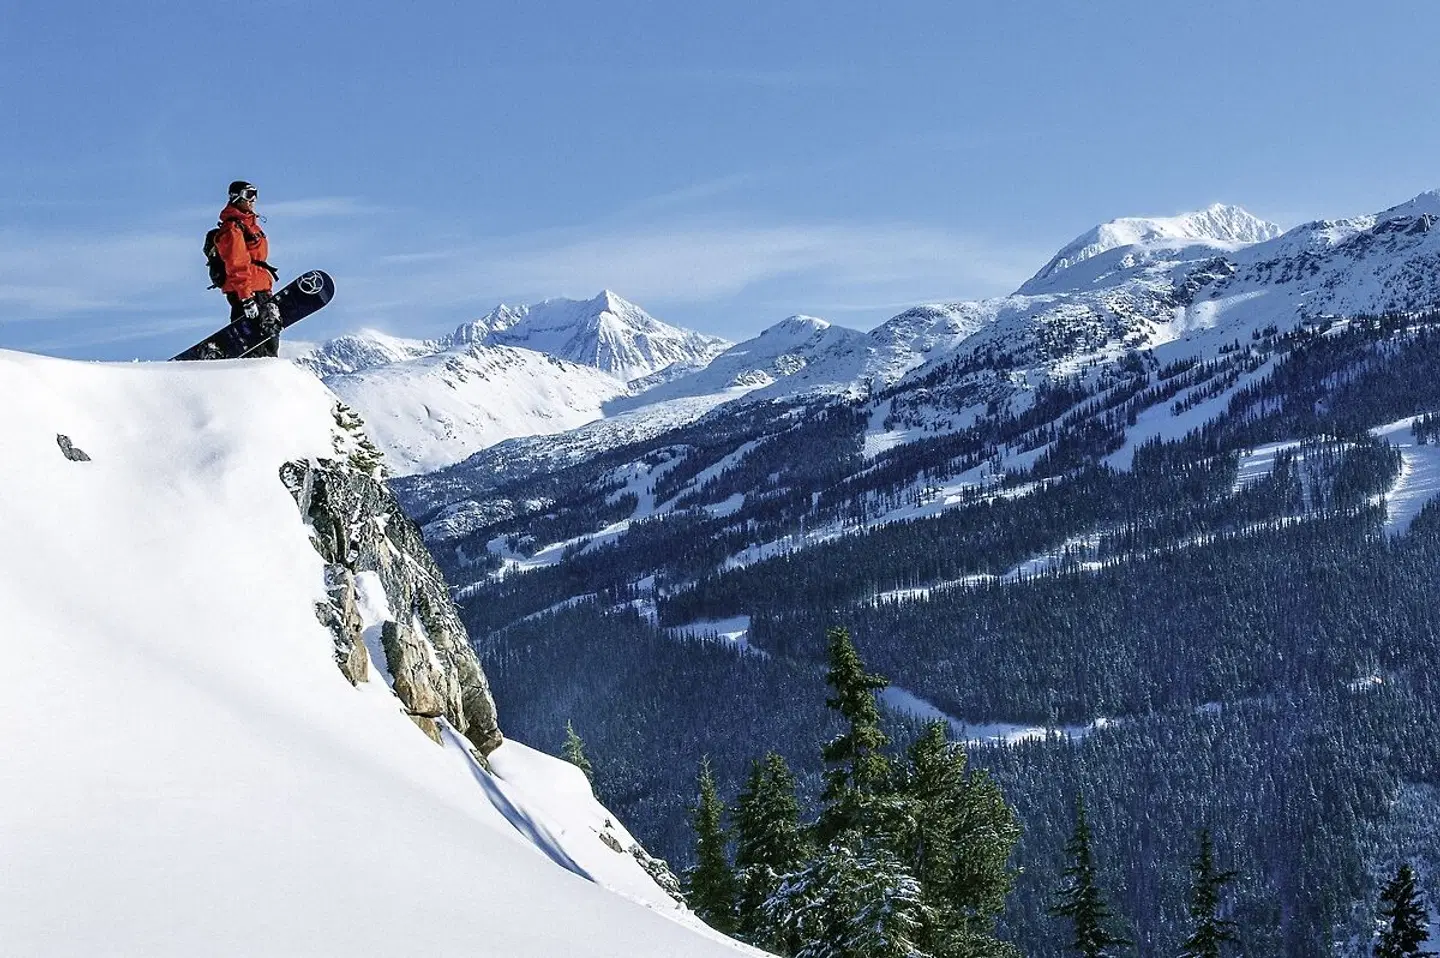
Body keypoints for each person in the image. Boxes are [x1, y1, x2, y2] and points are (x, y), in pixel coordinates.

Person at [215, 180, 282, 357]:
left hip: (260, 288)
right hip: (247, 292)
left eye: (255, 195)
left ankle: (265, 375)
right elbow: (236, 264)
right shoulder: (233, 228)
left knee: (270, 342)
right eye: (249, 195)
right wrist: (246, 299)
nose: (253, 200)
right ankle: (249, 371)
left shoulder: (249, 224)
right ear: (236, 197)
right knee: (255, 346)